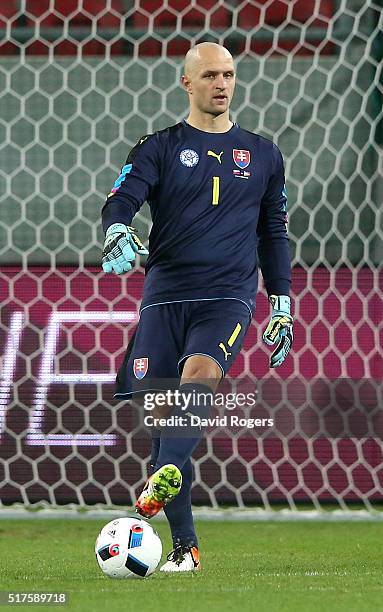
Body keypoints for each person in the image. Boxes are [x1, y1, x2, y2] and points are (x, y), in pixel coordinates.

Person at [101, 42, 293, 572]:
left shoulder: (263, 153)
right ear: (186, 83)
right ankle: (185, 546)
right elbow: (122, 198)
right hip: (164, 295)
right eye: (210, 75)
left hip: (228, 294)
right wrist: (117, 227)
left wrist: (281, 304)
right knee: (164, 422)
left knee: (201, 374)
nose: (222, 84)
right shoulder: (158, 147)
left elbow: (273, 234)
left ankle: (153, 491)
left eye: (229, 74)